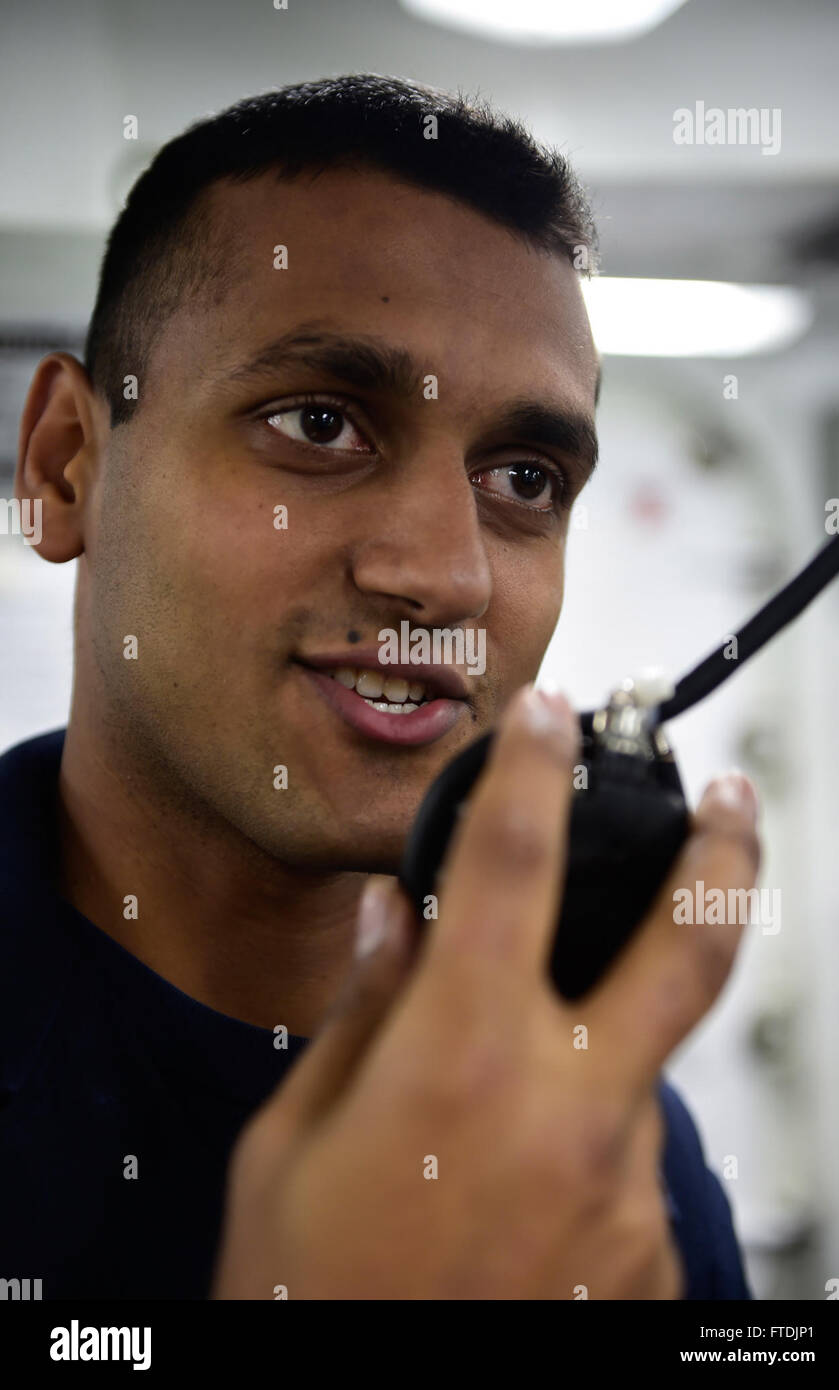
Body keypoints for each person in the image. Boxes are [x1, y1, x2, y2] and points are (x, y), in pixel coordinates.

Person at [0, 74, 758, 1300]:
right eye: (317, 420)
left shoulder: (605, 1151)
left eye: (522, 479)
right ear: (67, 465)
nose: (447, 576)